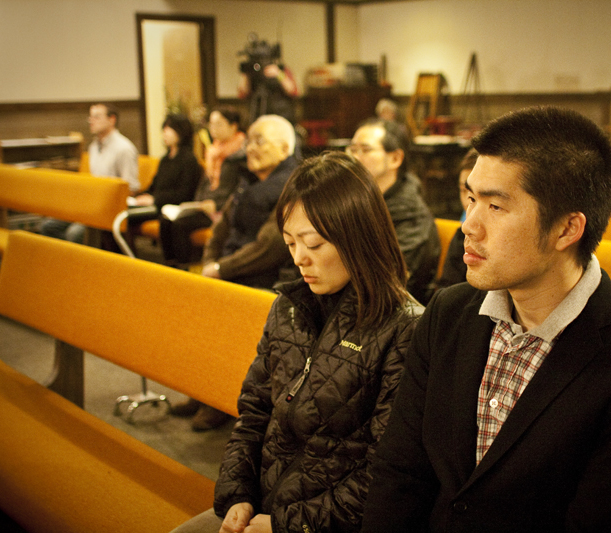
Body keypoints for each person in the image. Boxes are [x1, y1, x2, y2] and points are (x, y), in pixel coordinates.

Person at [362, 107, 611, 533]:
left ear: (566, 229)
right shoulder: (448, 314)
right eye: (471, 199)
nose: (469, 226)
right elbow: (400, 473)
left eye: (495, 206)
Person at [170, 151, 423, 533]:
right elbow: (254, 413)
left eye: (314, 244)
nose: (300, 259)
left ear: (357, 237)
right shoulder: (289, 308)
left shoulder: (405, 328)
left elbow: (385, 473)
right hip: (262, 503)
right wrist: (237, 494)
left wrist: (284, 525)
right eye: (290, 243)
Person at [171, 114, 299, 431]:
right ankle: (201, 390)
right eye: (249, 140)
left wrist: (220, 268)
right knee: (195, 312)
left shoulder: (292, 186)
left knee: (225, 320)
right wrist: (210, 263)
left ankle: (222, 399)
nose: (250, 148)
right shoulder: (247, 181)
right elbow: (221, 229)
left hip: (266, 277)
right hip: (231, 270)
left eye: (260, 141)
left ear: (284, 149)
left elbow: (270, 246)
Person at [347, 118, 440, 303]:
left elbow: (391, 284)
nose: (354, 158)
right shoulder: (356, 202)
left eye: (365, 150)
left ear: (395, 158)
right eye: (352, 149)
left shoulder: (412, 217)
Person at [39, 103, 139, 244]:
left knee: (75, 233)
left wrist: (104, 200)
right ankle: (66, 256)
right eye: (90, 117)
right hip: (91, 203)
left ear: (112, 120)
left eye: (96, 117)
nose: (91, 121)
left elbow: (131, 188)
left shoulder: (124, 148)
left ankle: (82, 257)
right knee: (49, 227)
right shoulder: (93, 147)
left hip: (109, 208)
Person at [159, 107, 247, 265]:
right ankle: (170, 267)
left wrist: (215, 204)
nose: (213, 129)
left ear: (233, 126)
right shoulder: (213, 151)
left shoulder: (241, 154)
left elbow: (238, 188)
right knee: (166, 220)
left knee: (180, 225)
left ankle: (184, 270)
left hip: (222, 209)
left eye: (218, 124)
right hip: (206, 205)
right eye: (211, 124)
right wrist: (199, 202)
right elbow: (204, 183)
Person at [125, 114, 202, 235]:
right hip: (156, 204)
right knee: (119, 212)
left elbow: (185, 194)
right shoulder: (165, 159)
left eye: (168, 129)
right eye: (164, 129)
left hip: (168, 207)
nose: (164, 133)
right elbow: (154, 186)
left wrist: (154, 199)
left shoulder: (189, 160)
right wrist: (141, 197)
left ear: (181, 131)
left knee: (125, 217)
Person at [435, 148, 477, 290]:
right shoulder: (462, 233)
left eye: (474, 194)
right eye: (463, 190)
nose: (467, 201)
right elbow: (445, 286)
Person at [238, 58, 297, 124]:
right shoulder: (251, 71)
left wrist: (278, 73)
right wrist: (246, 74)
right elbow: (242, 93)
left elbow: (292, 91)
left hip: (281, 117)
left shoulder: (280, 69)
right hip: (257, 117)